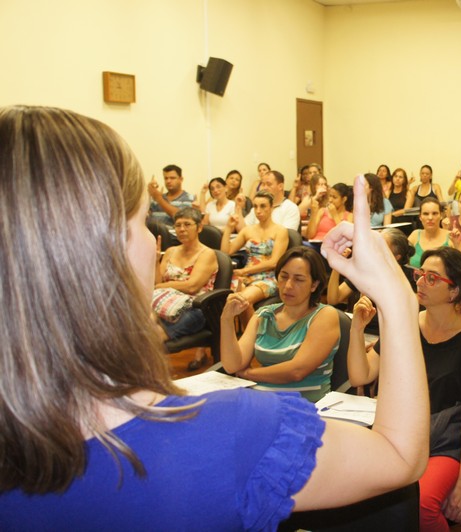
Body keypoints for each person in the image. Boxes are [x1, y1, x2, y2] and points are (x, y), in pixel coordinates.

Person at [0, 107, 429, 529]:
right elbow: (398, 455)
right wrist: (399, 299)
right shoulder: (232, 433)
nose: (155, 243)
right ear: (105, 248)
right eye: (144, 222)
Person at [348, 247, 461, 531]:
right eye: (419, 275)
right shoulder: (406, 325)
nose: (420, 282)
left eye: (432, 278)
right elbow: (360, 375)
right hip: (401, 432)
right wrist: (357, 329)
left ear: (454, 292)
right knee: (359, 492)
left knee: (421, 506)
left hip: (448, 440)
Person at [221, 247, 339, 402]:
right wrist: (227, 319)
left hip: (304, 406)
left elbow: (297, 371)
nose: (288, 285)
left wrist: (249, 374)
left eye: (299, 279)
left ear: (314, 285)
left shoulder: (325, 315)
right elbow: (232, 365)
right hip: (263, 401)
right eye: (283, 277)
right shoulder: (264, 315)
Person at [153, 207, 218, 370]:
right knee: (137, 326)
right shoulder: (170, 251)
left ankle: (146, 376)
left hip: (196, 308)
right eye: (178, 225)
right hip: (164, 304)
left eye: (187, 224)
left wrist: (162, 286)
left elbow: (192, 286)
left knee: (151, 336)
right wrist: (155, 261)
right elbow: (157, 282)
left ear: (199, 227)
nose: (181, 229)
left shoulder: (207, 254)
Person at [222, 190, 289, 321]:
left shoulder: (280, 231)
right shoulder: (248, 230)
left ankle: (252, 338)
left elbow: (274, 262)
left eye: (263, 206)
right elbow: (225, 253)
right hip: (246, 277)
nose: (258, 210)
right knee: (222, 297)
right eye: (255, 206)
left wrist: (244, 271)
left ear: (271, 208)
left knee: (242, 300)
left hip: (269, 277)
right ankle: (241, 337)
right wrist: (228, 229)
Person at [408, 197, 461, 269]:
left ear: (441, 215)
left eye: (434, 213)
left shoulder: (452, 237)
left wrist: (458, 244)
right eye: (426, 214)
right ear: (420, 217)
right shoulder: (415, 235)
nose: (430, 217)